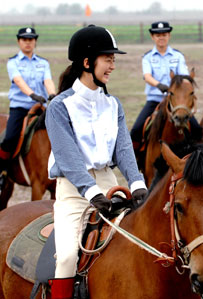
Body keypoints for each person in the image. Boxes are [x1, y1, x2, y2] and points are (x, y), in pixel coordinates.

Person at [45, 25, 148, 298]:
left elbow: (124, 148)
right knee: (66, 257)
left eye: (114, 59)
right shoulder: (59, 107)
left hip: (109, 183)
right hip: (73, 190)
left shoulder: (113, 105)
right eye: (108, 59)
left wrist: (137, 183)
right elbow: (67, 158)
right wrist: (90, 192)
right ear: (87, 62)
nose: (113, 65)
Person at [130, 21, 202, 154]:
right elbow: (147, 76)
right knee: (136, 130)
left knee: (197, 129)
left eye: (164, 34)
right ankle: (136, 161)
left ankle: (198, 159)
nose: (161, 37)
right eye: (157, 35)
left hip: (175, 102)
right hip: (155, 100)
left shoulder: (178, 56)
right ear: (152, 37)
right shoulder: (148, 57)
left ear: (169, 36)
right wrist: (159, 85)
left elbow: (184, 77)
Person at [0, 27, 56, 190]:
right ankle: (2, 171)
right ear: (19, 42)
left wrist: (52, 94)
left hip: (41, 107)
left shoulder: (43, 63)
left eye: (31, 40)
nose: (28, 43)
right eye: (24, 40)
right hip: (20, 107)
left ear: (35, 42)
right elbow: (18, 81)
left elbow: (48, 80)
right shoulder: (13, 62)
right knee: (10, 138)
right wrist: (32, 95)